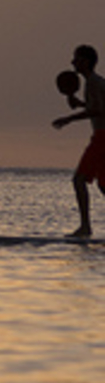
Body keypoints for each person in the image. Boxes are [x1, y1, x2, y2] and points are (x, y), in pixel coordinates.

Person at [52, 44, 105, 238]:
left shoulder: (92, 82)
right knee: (103, 185)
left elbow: (98, 111)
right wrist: (79, 104)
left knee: (79, 179)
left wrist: (68, 119)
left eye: (77, 58)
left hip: (102, 138)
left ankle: (85, 228)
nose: (73, 62)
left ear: (86, 62)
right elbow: (98, 107)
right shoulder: (96, 82)